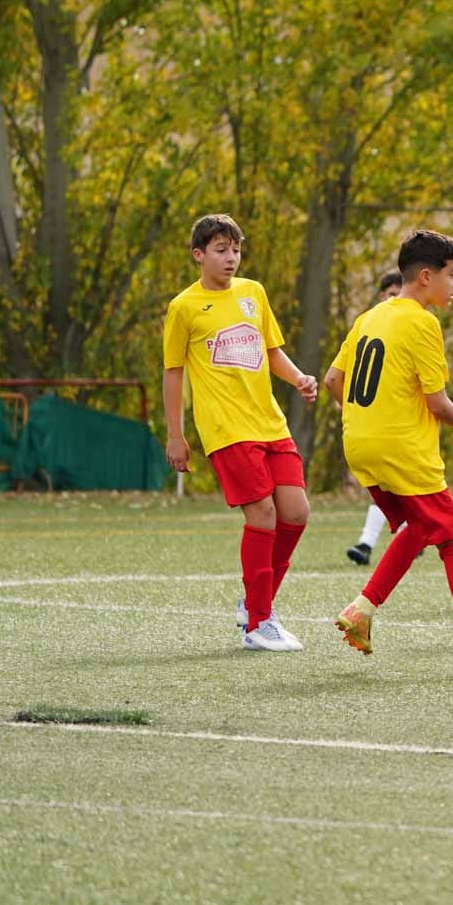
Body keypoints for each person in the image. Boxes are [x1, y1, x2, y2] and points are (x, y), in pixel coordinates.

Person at [328, 230, 453, 679]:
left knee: (420, 527)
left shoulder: (370, 317)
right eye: (452, 275)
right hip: (402, 448)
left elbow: (331, 382)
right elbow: (437, 402)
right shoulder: (422, 322)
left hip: (359, 445)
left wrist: (366, 417)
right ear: (425, 276)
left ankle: (362, 609)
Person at [162, 213, 317, 653]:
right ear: (199, 255)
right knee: (263, 514)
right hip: (226, 429)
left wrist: (299, 378)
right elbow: (173, 373)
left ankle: (254, 602)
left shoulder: (254, 293)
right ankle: (258, 623)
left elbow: (271, 351)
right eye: (220, 250)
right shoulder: (184, 307)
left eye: (235, 250)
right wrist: (176, 435)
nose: (231, 258)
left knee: (296, 512)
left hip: (269, 422)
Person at [344, 269, 405, 567]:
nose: (396, 300)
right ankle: (375, 541)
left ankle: (388, 537)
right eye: (392, 294)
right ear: (382, 296)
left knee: (395, 488)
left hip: (401, 425)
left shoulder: (411, 327)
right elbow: (338, 377)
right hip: (375, 425)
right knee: (386, 487)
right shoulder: (368, 325)